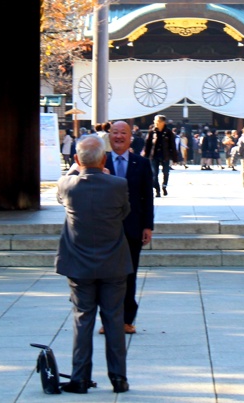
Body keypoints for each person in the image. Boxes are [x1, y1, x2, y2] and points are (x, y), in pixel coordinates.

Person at [55, 135, 132, 394]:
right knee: (113, 320)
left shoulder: (67, 186)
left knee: (82, 319)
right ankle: (119, 378)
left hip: (79, 265)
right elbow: (123, 213)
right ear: (105, 159)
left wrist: (75, 169)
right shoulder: (118, 184)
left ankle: (79, 378)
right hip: (113, 263)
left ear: (76, 159)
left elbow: (59, 196)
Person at [104, 121, 154, 335]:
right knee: (106, 277)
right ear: (109, 135)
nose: (118, 136)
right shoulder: (100, 161)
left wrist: (148, 226)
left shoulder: (141, 163)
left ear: (130, 136)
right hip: (106, 230)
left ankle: (126, 319)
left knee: (129, 274)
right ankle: (107, 320)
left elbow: (147, 198)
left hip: (133, 228)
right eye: (115, 132)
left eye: (123, 133)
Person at [142, 114, 177, 197]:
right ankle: (157, 190)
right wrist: (145, 157)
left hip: (165, 155)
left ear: (163, 122)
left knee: (166, 172)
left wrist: (175, 158)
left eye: (157, 121)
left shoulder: (169, 132)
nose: (155, 123)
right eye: (155, 121)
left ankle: (164, 186)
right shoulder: (152, 132)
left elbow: (173, 145)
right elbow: (147, 145)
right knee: (154, 174)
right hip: (154, 155)